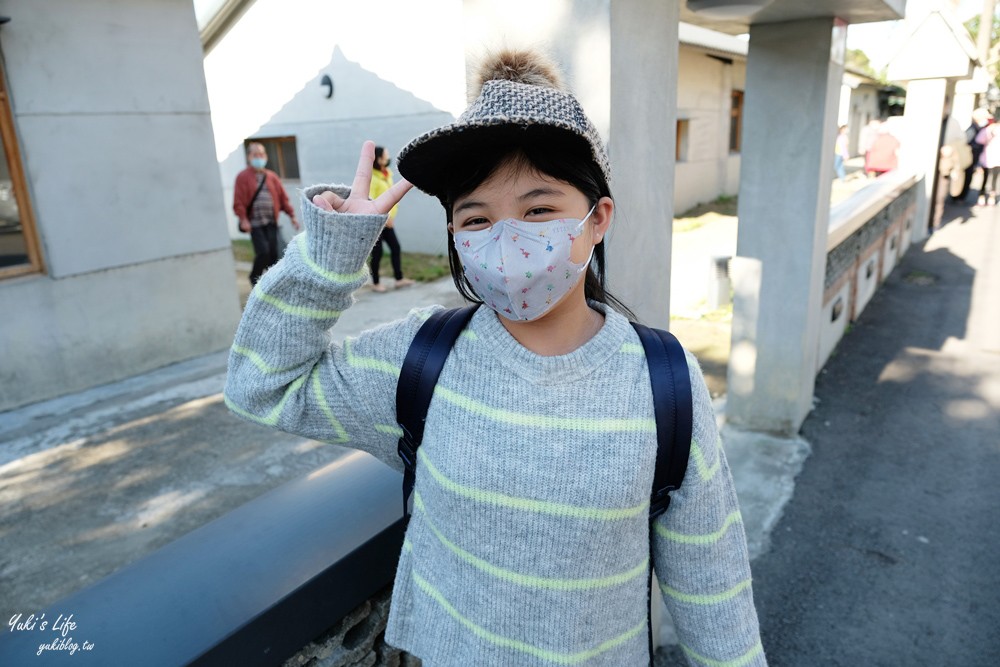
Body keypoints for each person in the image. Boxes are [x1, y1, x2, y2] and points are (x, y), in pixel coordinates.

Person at [225, 49, 766, 666]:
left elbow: (711, 583)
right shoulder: (419, 359)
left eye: (539, 210)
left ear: (597, 220)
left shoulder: (664, 382)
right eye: (476, 218)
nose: (507, 241)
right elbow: (260, 384)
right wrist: (332, 254)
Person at [233, 142, 300, 286]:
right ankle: (254, 277)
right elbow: (238, 202)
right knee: (263, 252)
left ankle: (272, 283)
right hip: (255, 224)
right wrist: (243, 219)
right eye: (255, 155)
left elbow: (283, 198)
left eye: (261, 154)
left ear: (266, 156)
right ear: (249, 157)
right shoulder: (243, 177)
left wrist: (292, 216)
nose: (259, 157)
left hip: (271, 222)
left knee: (273, 255)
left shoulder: (272, 177)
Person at [368, 146, 414, 292]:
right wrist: (383, 218)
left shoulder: (387, 174)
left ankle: (399, 279)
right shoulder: (373, 178)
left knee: (395, 248)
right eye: (386, 155)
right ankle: (375, 283)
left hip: (388, 221)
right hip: (377, 223)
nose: (388, 157)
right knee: (378, 252)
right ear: (379, 158)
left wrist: (390, 217)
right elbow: (370, 200)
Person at [957, 107, 991, 203]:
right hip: (970, 157)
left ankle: (961, 196)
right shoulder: (974, 128)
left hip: (973, 157)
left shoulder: (979, 128)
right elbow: (968, 142)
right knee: (966, 177)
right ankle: (960, 197)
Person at [975, 114, 1000, 206]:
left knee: (984, 178)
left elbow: (978, 140)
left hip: (987, 157)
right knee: (995, 178)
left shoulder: (988, 129)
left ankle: (981, 197)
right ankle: (992, 198)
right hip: (998, 159)